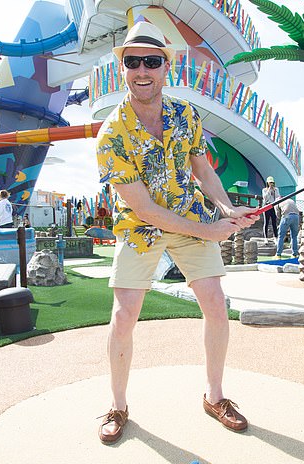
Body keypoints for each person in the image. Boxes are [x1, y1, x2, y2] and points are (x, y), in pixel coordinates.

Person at [95, 21, 257, 445]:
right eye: (133, 62)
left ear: (167, 66)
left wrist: (226, 208)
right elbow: (145, 209)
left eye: (151, 61)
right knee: (124, 313)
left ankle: (215, 397)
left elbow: (202, 168)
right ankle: (117, 405)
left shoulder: (186, 114)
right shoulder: (111, 134)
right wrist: (211, 228)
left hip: (189, 214)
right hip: (140, 229)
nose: (142, 70)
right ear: (123, 68)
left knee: (216, 305)